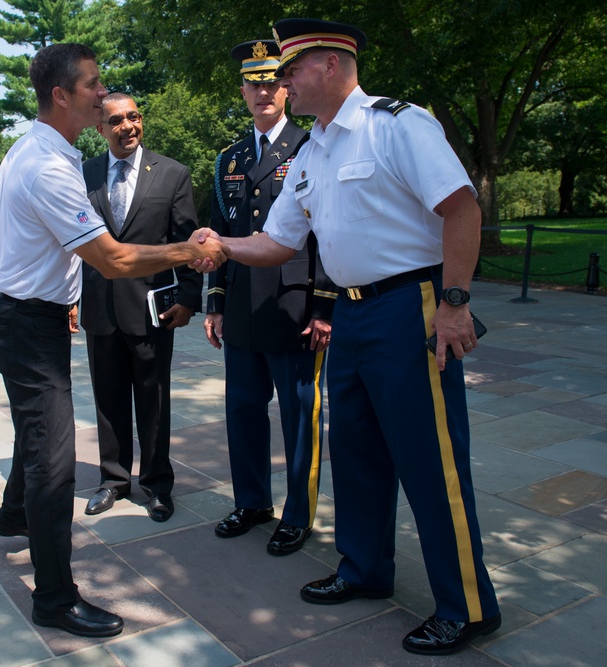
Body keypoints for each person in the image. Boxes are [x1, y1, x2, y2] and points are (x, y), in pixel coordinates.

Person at [196, 18, 500, 656]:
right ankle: (363, 569)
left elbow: (461, 207)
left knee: (429, 460)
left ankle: (466, 606)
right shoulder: (313, 151)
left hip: (410, 307)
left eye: (290, 72)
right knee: (358, 456)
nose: (281, 85)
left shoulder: (398, 125)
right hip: (354, 316)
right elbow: (278, 241)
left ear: (329, 66)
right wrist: (221, 245)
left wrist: (454, 304)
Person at [0, 43, 225, 639]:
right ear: (62, 95)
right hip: (26, 323)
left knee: (35, 432)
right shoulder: (46, 164)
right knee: (54, 461)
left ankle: (15, 516)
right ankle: (54, 599)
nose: (103, 92)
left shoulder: (42, 148)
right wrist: (189, 254)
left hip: (24, 315)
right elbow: (112, 259)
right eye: (93, 84)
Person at [205, 40, 336, 556]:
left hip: (294, 305)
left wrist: (324, 306)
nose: (262, 91)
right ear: (242, 90)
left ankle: (298, 514)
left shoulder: (314, 145)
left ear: (286, 87)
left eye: (272, 82)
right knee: (242, 409)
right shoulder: (229, 158)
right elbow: (219, 233)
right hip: (240, 306)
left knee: (298, 415)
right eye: (252, 83)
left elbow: (328, 233)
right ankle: (252, 500)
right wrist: (214, 301)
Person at [80, 93, 203, 523]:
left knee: (154, 400)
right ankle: (113, 480)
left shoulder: (172, 174)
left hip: (153, 311)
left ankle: (156, 484)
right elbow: (72, 246)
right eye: (116, 120)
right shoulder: (84, 174)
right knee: (107, 400)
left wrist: (189, 298)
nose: (127, 126)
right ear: (101, 128)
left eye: (133, 117)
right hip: (99, 309)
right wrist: (69, 299)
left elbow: (188, 241)